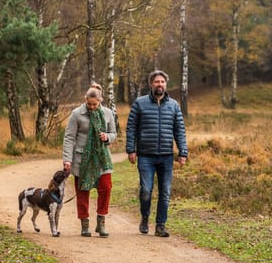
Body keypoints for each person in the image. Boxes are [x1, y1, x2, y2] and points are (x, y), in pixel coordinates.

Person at [126, 70, 188, 238]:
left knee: (165, 192)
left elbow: (179, 130)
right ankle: (145, 218)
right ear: (151, 84)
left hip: (166, 156)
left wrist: (183, 152)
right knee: (146, 190)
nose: (159, 84)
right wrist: (131, 149)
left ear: (165, 84)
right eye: (156, 82)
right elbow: (131, 127)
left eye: (162, 82)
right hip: (146, 155)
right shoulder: (140, 103)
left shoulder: (174, 105)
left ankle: (160, 225)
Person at [62, 83, 117, 237]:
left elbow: (114, 133)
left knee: (106, 188)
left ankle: (101, 221)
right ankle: (84, 224)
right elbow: (69, 137)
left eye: (95, 104)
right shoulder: (76, 114)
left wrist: (107, 137)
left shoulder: (107, 113)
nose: (92, 107)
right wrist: (67, 159)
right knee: (82, 192)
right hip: (82, 159)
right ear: (85, 100)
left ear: (100, 101)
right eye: (89, 104)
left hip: (102, 158)